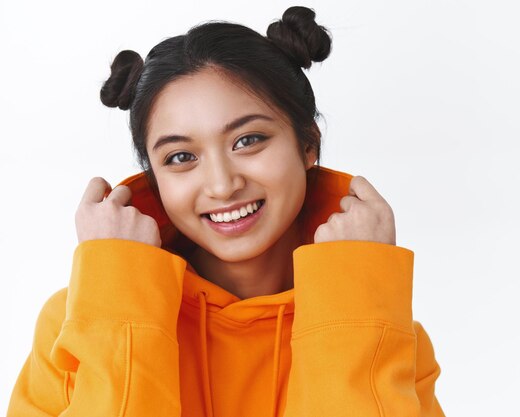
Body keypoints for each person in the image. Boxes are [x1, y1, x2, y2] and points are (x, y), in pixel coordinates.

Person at [7, 6, 444, 417]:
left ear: (308, 143)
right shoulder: (83, 318)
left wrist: (353, 293)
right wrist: (120, 292)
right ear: (154, 179)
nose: (221, 185)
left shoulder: (376, 322)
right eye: (181, 157)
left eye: (248, 140)